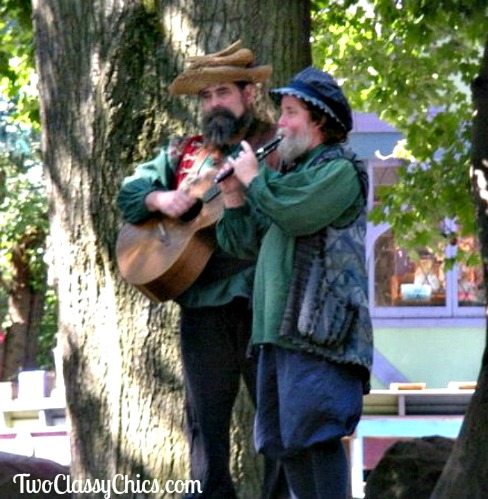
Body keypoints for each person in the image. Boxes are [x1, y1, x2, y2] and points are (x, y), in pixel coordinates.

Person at [117, 41, 285, 498]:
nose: (214, 104)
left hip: (262, 304)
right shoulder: (182, 152)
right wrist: (161, 198)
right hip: (201, 306)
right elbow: (129, 195)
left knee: (276, 417)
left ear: (248, 94)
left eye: (223, 93)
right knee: (204, 422)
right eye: (206, 96)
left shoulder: (275, 146)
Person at [216, 66, 374, 499]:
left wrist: (254, 179)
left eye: (289, 113)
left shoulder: (340, 170)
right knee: (286, 446)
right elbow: (244, 242)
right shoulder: (286, 178)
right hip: (276, 335)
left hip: (320, 333)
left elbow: (294, 213)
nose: (279, 123)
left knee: (317, 437)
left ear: (318, 120)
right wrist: (233, 196)